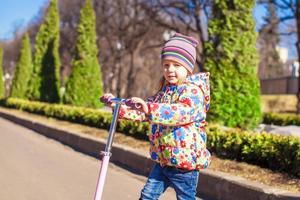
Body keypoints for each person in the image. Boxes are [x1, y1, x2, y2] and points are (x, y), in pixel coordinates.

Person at [101, 33, 211, 200]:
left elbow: (178, 113)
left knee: (185, 197)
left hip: (184, 164)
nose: (170, 70)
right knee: (147, 196)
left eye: (176, 65)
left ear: (188, 68)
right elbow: (143, 112)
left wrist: (150, 108)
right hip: (163, 160)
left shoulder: (193, 91)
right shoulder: (165, 92)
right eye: (166, 65)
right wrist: (117, 106)